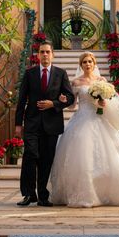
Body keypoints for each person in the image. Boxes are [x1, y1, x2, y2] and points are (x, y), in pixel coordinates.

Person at [48, 51, 119, 207]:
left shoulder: (101, 80)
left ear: (94, 63)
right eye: (84, 62)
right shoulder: (76, 82)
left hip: (100, 119)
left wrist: (104, 104)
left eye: (90, 61)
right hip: (81, 120)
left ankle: (106, 192)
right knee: (82, 158)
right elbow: (72, 106)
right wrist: (64, 100)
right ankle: (85, 195)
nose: (87, 64)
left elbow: (109, 102)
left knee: (111, 158)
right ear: (81, 65)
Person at [14, 40, 74, 207]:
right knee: (30, 157)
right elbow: (21, 100)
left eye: (48, 52)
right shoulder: (29, 73)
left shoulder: (61, 74)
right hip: (32, 123)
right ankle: (28, 194)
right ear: (38, 55)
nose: (45, 54)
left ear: (52, 54)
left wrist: (54, 104)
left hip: (52, 124)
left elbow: (70, 98)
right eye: (42, 52)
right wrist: (18, 124)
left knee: (46, 161)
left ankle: (42, 196)